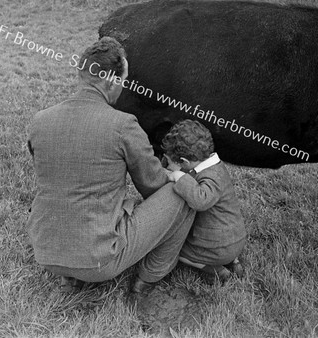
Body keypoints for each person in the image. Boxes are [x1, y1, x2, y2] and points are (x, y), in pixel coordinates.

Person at [27, 37, 195, 294]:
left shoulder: (40, 120)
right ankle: (149, 278)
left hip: (46, 252)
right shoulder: (123, 124)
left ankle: (69, 277)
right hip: (99, 259)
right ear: (111, 81)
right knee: (182, 192)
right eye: (122, 82)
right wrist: (176, 174)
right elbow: (153, 186)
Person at [162, 119, 246, 283]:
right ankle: (233, 261)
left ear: (184, 162)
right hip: (236, 238)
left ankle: (216, 269)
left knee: (174, 249)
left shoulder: (210, 177)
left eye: (170, 162)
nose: (168, 165)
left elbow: (201, 200)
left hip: (218, 246)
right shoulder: (215, 166)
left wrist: (179, 177)